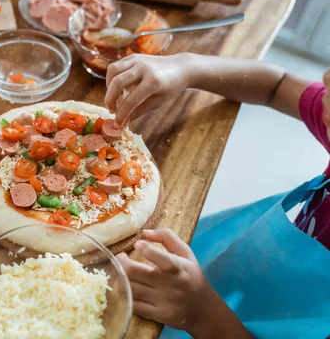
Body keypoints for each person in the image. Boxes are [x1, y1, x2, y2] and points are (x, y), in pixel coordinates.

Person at [106, 53, 330, 338]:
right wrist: (187, 68)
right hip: (236, 288)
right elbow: (276, 84)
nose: (326, 80)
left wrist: (203, 314)